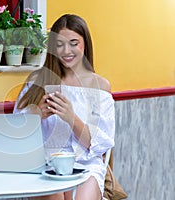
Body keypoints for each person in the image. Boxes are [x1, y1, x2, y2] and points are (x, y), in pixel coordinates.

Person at [13, 14, 115, 200]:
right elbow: (15, 134)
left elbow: (98, 146)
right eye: (59, 45)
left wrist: (71, 118)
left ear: (85, 44)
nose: (66, 51)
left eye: (74, 43)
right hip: (44, 164)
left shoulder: (99, 86)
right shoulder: (38, 81)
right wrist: (36, 115)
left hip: (85, 165)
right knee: (54, 197)